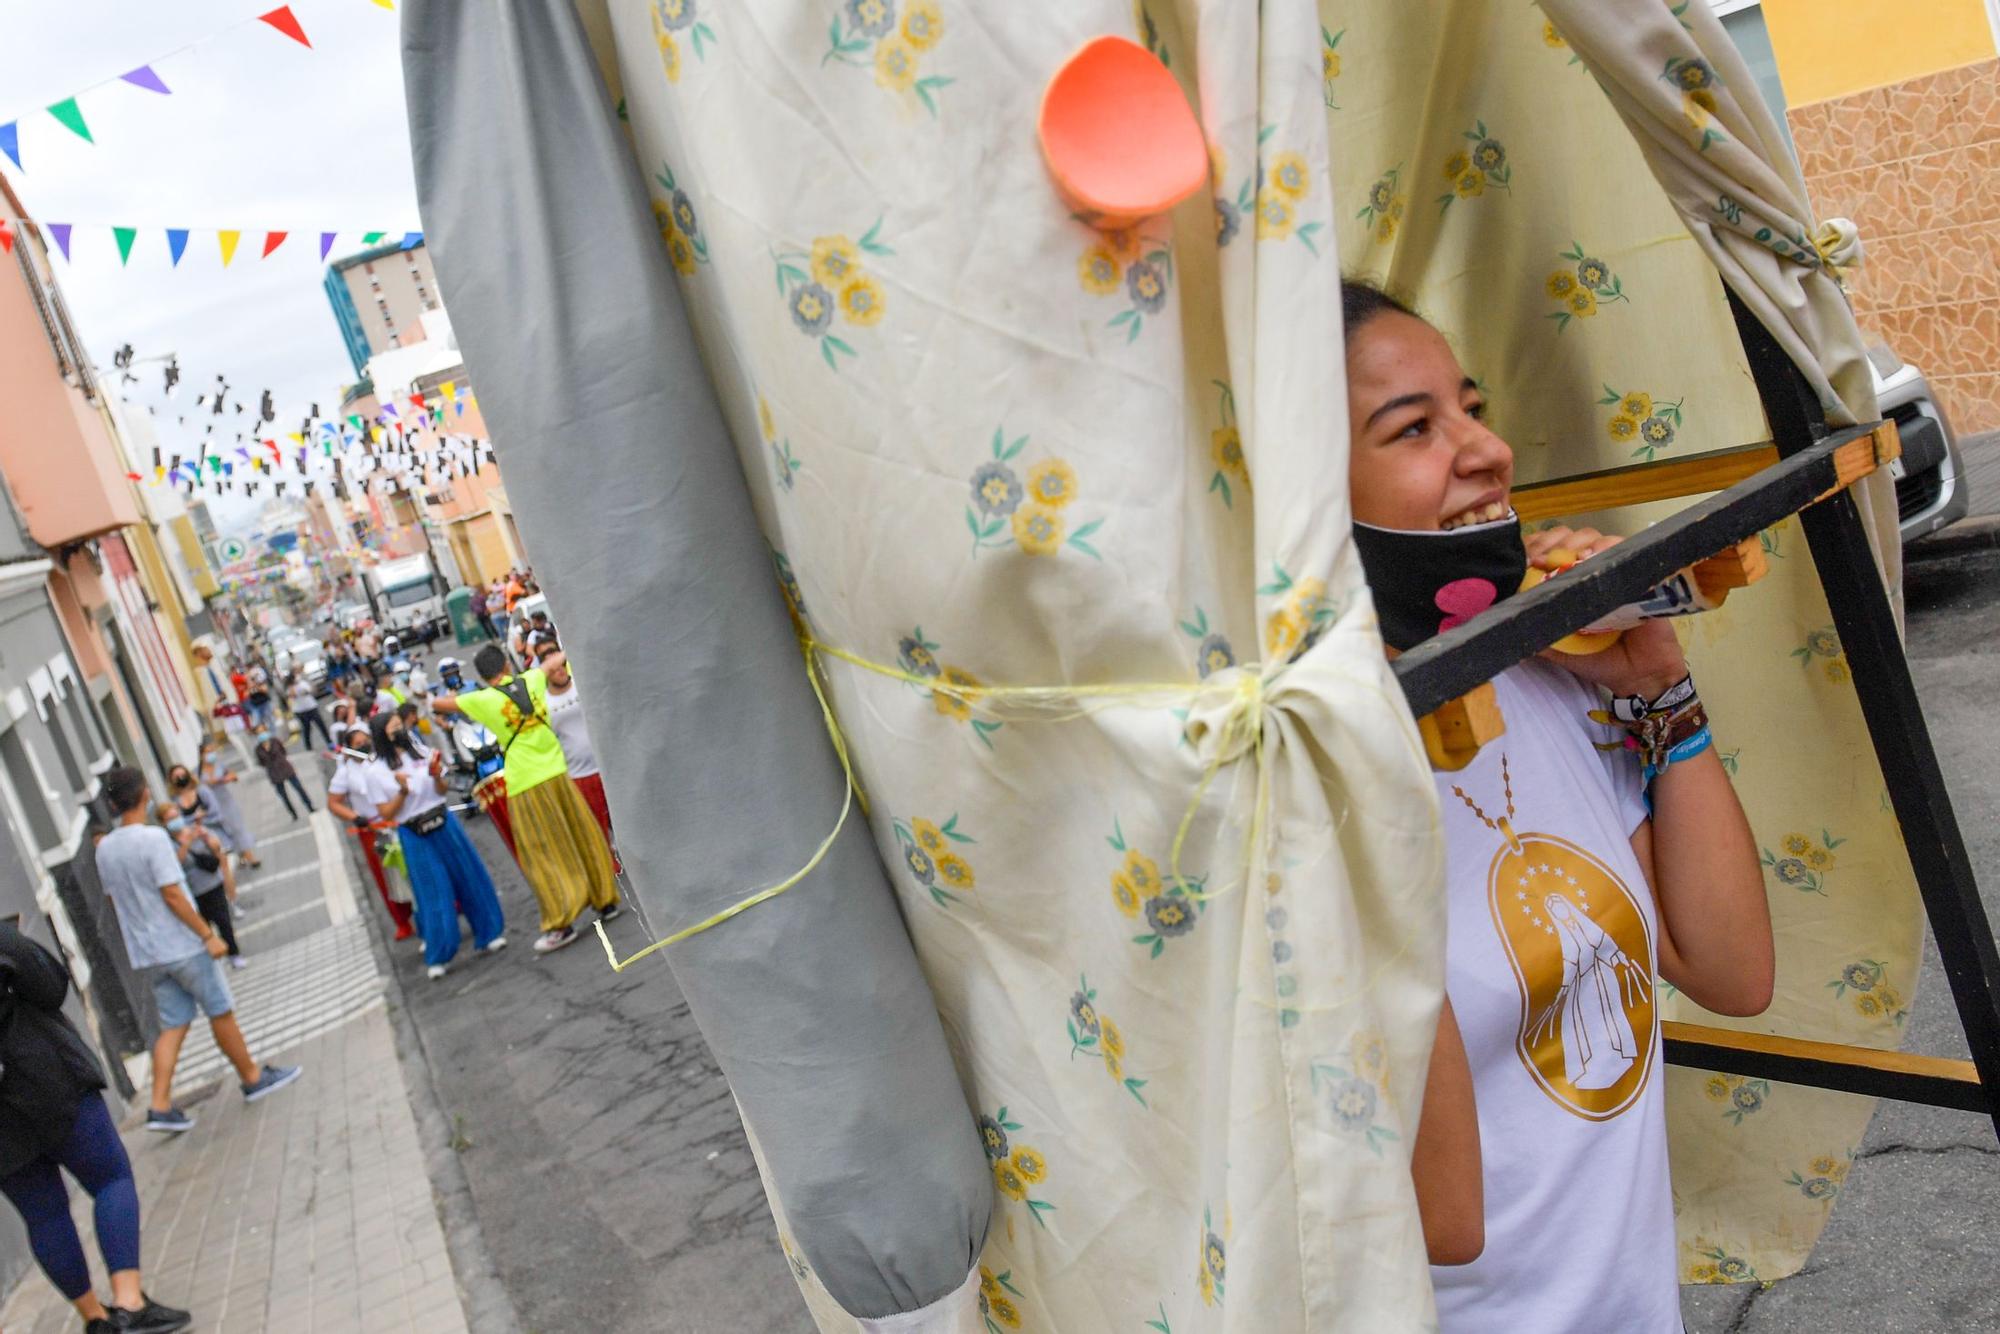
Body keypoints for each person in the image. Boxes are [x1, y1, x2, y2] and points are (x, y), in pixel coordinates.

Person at [1339, 281, 1772, 1331]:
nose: (1483, 449)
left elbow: (1728, 970)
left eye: (1471, 408)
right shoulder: (1310, 782)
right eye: (1413, 428)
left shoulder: (1539, 676)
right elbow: (1440, 1219)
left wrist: (1654, 681)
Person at [0, 922, 193, 1334]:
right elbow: (51, 985)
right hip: (48, 1081)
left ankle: (97, 1320)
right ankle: (130, 1304)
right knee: (110, 1178)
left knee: (44, 1215)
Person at [92, 767, 302, 1135]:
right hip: (182, 944)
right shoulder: (153, 839)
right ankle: (252, 1077)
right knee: (220, 1009)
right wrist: (207, 934)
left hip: (148, 953)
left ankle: (159, 1104)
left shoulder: (105, 848)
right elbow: (172, 893)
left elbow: (113, 900)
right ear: (145, 795)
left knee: (173, 1024)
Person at [431, 644, 619, 953]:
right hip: (559, 772)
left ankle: (561, 922)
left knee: (541, 853)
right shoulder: (532, 679)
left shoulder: (482, 699)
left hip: (525, 782)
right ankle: (605, 900)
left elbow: (440, 704)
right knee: (582, 835)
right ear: (506, 664)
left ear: (481, 675)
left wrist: (426, 699)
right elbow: (558, 659)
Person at [367, 713, 507, 979]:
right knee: (433, 892)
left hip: (443, 820)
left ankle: (489, 932)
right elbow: (385, 813)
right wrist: (402, 792)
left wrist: (436, 776)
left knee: (470, 877)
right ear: (381, 734)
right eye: (393, 727)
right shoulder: (376, 771)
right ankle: (440, 952)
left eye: (400, 724)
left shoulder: (418, 749)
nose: (399, 730)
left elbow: (442, 789)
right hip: (414, 831)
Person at [326, 725, 417, 942]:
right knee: (387, 876)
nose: (364, 746)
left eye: (366, 741)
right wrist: (354, 816)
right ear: (349, 748)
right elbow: (333, 803)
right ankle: (402, 921)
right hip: (373, 830)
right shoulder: (345, 772)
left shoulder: (381, 760)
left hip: (398, 819)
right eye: (358, 745)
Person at [535, 641, 613, 853]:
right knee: (597, 835)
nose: (559, 671)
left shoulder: (583, 685)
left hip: (608, 769)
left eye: (561, 665)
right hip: (579, 776)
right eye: (553, 669)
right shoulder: (543, 702)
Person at [157, 802, 243, 970]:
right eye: (170, 819)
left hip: (212, 883)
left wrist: (205, 838)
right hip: (192, 891)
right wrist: (186, 844)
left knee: (224, 922)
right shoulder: (166, 843)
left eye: (176, 816)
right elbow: (175, 864)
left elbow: (217, 849)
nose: (175, 821)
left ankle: (234, 954)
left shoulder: (194, 829)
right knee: (204, 926)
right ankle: (216, 959)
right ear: (163, 823)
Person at [194, 743, 260, 870]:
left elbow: (234, 776)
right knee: (225, 833)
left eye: (212, 750)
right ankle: (241, 855)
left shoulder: (219, 765)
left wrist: (225, 779)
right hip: (211, 805)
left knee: (237, 829)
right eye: (208, 751)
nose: (211, 754)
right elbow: (195, 788)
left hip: (226, 801)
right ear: (201, 755)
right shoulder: (197, 772)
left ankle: (251, 857)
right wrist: (207, 783)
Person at [254, 727, 315, 821]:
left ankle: (310, 806)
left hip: (285, 769)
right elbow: (261, 762)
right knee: (283, 795)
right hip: (274, 773)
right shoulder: (258, 749)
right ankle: (293, 813)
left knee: (299, 788)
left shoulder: (275, 741)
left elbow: (283, 751)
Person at [288, 670, 329, 751]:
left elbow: (310, 690)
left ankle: (329, 741)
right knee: (306, 728)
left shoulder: (302, 683)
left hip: (311, 707)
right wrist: (292, 686)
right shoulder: (290, 687)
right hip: (300, 711)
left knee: (321, 724)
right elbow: (292, 695)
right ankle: (308, 746)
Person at [244, 662, 273, 731]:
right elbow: (246, 694)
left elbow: (265, 690)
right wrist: (250, 688)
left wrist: (256, 685)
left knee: (269, 720)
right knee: (259, 722)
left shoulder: (260, 681)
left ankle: (272, 737)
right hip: (255, 704)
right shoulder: (248, 685)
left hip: (264, 702)